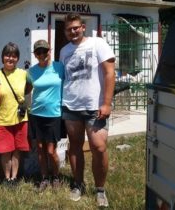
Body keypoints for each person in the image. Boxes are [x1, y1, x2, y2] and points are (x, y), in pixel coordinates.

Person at [59, 13, 115, 207]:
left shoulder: (97, 43)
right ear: (65, 32)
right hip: (71, 105)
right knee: (74, 145)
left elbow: (109, 72)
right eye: (68, 29)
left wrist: (106, 103)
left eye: (75, 27)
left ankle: (100, 189)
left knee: (98, 147)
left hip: (95, 106)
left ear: (83, 27)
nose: (72, 31)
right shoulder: (64, 51)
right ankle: (78, 184)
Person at [26, 39, 64, 192]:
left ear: (50, 51)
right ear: (35, 54)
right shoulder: (31, 72)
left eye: (44, 51)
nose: (42, 54)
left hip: (54, 114)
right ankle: (44, 178)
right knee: (40, 149)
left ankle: (56, 176)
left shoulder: (59, 67)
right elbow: (25, 90)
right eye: (38, 52)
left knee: (51, 150)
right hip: (36, 114)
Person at [0, 42, 30, 186]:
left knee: (17, 150)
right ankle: (6, 178)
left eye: (14, 56)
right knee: (5, 151)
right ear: (2, 57)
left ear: (18, 58)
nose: (11, 58)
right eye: (8, 55)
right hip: (2, 118)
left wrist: (27, 105)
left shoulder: (23, 74)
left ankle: (14, 178)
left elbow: (31, 88)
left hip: (20, 119)